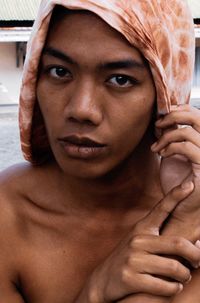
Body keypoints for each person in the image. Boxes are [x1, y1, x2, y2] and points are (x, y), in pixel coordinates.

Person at [0, 0, 200, 302]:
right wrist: (95, 291)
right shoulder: (9, 216)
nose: (81, 109)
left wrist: (182, 226)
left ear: (166, 92)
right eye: (58, 71)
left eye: (120, 79)